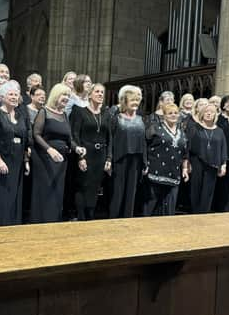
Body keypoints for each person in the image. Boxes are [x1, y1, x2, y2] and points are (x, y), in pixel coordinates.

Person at [31, 83, 85, 223]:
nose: (66, 98)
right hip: (44, 158)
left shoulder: (65, 115)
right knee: (44, 191)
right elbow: (36, 134)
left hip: (61, 160)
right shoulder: (44, 111)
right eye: (64, 95)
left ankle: (53, 221)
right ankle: (39, 222)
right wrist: (49, 149)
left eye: (68, 95)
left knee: (57, 192)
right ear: (56, 95)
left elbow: (69, 139)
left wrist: (76, 148)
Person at [0, 80, 31, 227]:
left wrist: (26, 161)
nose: (14, 97)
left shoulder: (20, 116)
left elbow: (24, 141)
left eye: (16, 94)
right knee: (0, 196)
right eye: (10, 94)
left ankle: (12, 225)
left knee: (13, 196)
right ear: (2, 97)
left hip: (16, 162)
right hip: (0, 162)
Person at [70, 83, 111, 220]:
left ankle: (90, 217)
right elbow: (75, 135)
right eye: (97, 92)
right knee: (83, 186)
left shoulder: (106, 114)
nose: (100, 94)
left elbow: (109, 138)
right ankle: (81, 217)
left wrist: (109, 158)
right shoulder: (80, 112)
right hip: (85, 154)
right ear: (90, 94)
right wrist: (80, 157)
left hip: (100, 156)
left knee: (95, 186)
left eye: (102, 92)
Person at [143, 103, 189, 216]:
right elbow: (144, 146)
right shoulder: (155, 128)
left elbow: (185, 152)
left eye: (175, 113)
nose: (173, 115)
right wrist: (145, 164)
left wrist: (184, 168)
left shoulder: (182, 131)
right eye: (170, 113)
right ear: (164, 115)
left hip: (174, 174)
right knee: (151, 205)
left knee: (169, 207)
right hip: (155, 172)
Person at [109, 85, 147, 218]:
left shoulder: (141, 119)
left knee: (131, 192)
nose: (135, 103)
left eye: (137, 100)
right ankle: (113, 220)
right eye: (132, 100)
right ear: (125, 102)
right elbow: (110, 139)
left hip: (136, 159)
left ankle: (127, 219)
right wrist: (109, 159)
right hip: (120, 158)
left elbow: (144, 142)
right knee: (118, 192)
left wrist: (145, 162)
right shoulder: (116, 118)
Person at [187, 103, 227, 213]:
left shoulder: (219, 131)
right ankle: (195, 213)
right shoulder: (194, 128)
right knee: (195, 191)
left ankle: (204, 214)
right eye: (206, 111)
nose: (209, 113)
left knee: (208, 192)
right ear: (202, 113)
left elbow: (223, 148)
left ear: (215, 115)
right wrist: (187, 163)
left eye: (212, 112)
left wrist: (223, 164)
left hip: (213, 164)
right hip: (197, 163)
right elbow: (188, 146)